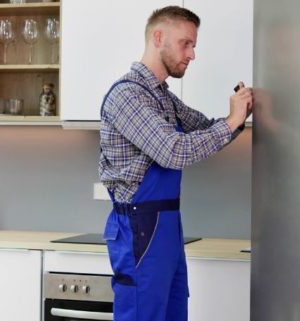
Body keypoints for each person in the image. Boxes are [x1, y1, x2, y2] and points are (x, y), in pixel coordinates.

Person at [98, 5, 252, 321]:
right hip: (138, 230)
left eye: (193, 45)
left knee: (173, 313)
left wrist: (238, 117)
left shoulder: (163, 97)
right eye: (186, 43)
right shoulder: (127, 95)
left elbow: (206, 128)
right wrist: (232, 121)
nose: (192, 54)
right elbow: (174, 151)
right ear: (158, 37)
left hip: (166, 229)